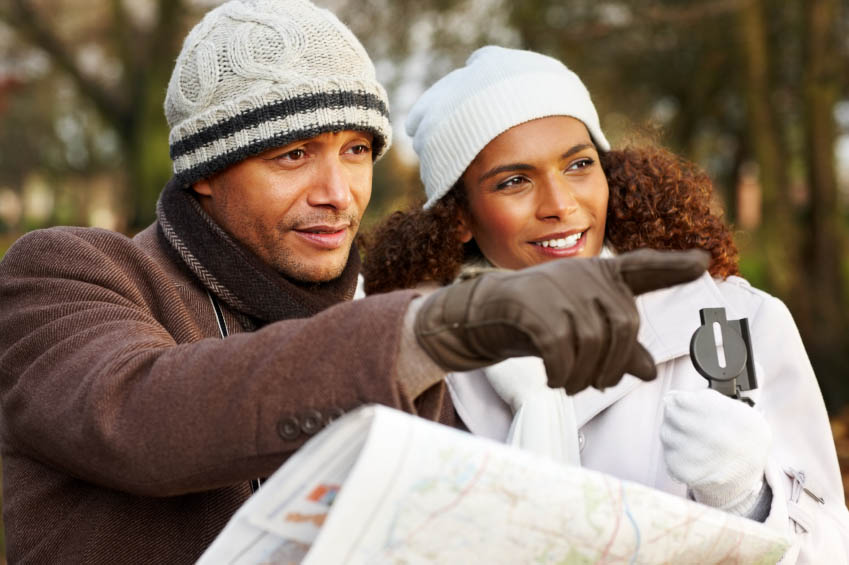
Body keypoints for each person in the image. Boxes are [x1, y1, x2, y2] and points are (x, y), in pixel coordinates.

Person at [0, 3, 710, 563]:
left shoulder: (387, 318)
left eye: (357, 150)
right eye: (293, 154)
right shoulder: (68, 273)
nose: (337, 191)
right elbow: (141, 416)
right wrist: (436, 327)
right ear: (206, 173)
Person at [362, 45, 849, 562]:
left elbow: (830, 549)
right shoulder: (416, 358)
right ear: (459, 216)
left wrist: (749, 501)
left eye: (578, 165)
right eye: (514, 181)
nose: (560, 204)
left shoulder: (741, 322)